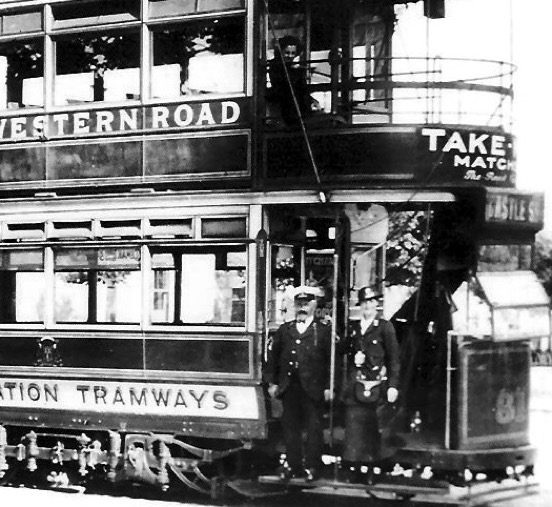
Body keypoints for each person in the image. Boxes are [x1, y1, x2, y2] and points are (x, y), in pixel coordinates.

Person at [266, 285, 332, 481]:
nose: (302, 308)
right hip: (290, 388)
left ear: (314, 305)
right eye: (299, 304)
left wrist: (329, 386)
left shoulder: (323, 331)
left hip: (313, 389)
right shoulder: (285, 330)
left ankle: (312, 467)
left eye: (306, 304)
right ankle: (294, 466)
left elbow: (331, 362)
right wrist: (272, 382)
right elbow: (273, 357)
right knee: (290, 428)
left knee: (314, 428)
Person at [340, 287, 400, 482]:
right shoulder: (355, 328)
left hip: (377, 386)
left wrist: (392, 385)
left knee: (374, 429)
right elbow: (343, 349)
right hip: (356, 385)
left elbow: (394, 359)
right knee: (355, 429)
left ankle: (372, 471)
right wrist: (351, 355)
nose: (368, 305)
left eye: (371, 301)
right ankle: (354, 469)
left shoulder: (385, 327)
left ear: (376, 304)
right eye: (364, 302)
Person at [267, 35, 312, 126]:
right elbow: (281, 84)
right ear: (281, 52)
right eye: (287, 53)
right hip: (284, 101)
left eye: (293, 53)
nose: (290, 56)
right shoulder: (275, 65)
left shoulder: (293, 67)